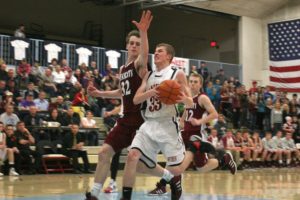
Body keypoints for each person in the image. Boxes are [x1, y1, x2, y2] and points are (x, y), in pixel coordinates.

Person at [85, 10, 153, 200]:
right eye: (131, 43)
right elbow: (121, 92)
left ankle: (165, 178)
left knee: (138, 163)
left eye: (137, 44)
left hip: (141, 121)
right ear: (126, 46)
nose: (134, 46)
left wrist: (144, 32)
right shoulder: (123, 69)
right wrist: (100, 93)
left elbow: (146, 54)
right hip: (125, 120)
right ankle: (94, 194)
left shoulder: (140, 64)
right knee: (104, 152)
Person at [148, 73, 236, 196]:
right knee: (173, 160)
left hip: (196, 137)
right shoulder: (188, 97)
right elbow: (187, 111)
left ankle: (224, 159)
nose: (193, 84)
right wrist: (181, 121)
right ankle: (162, 186)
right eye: (191, 81)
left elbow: (214, 114)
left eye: (196, 82)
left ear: (200, 85)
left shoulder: (202, 98)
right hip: (184, 135)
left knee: (200, 168)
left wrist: (199, 121)